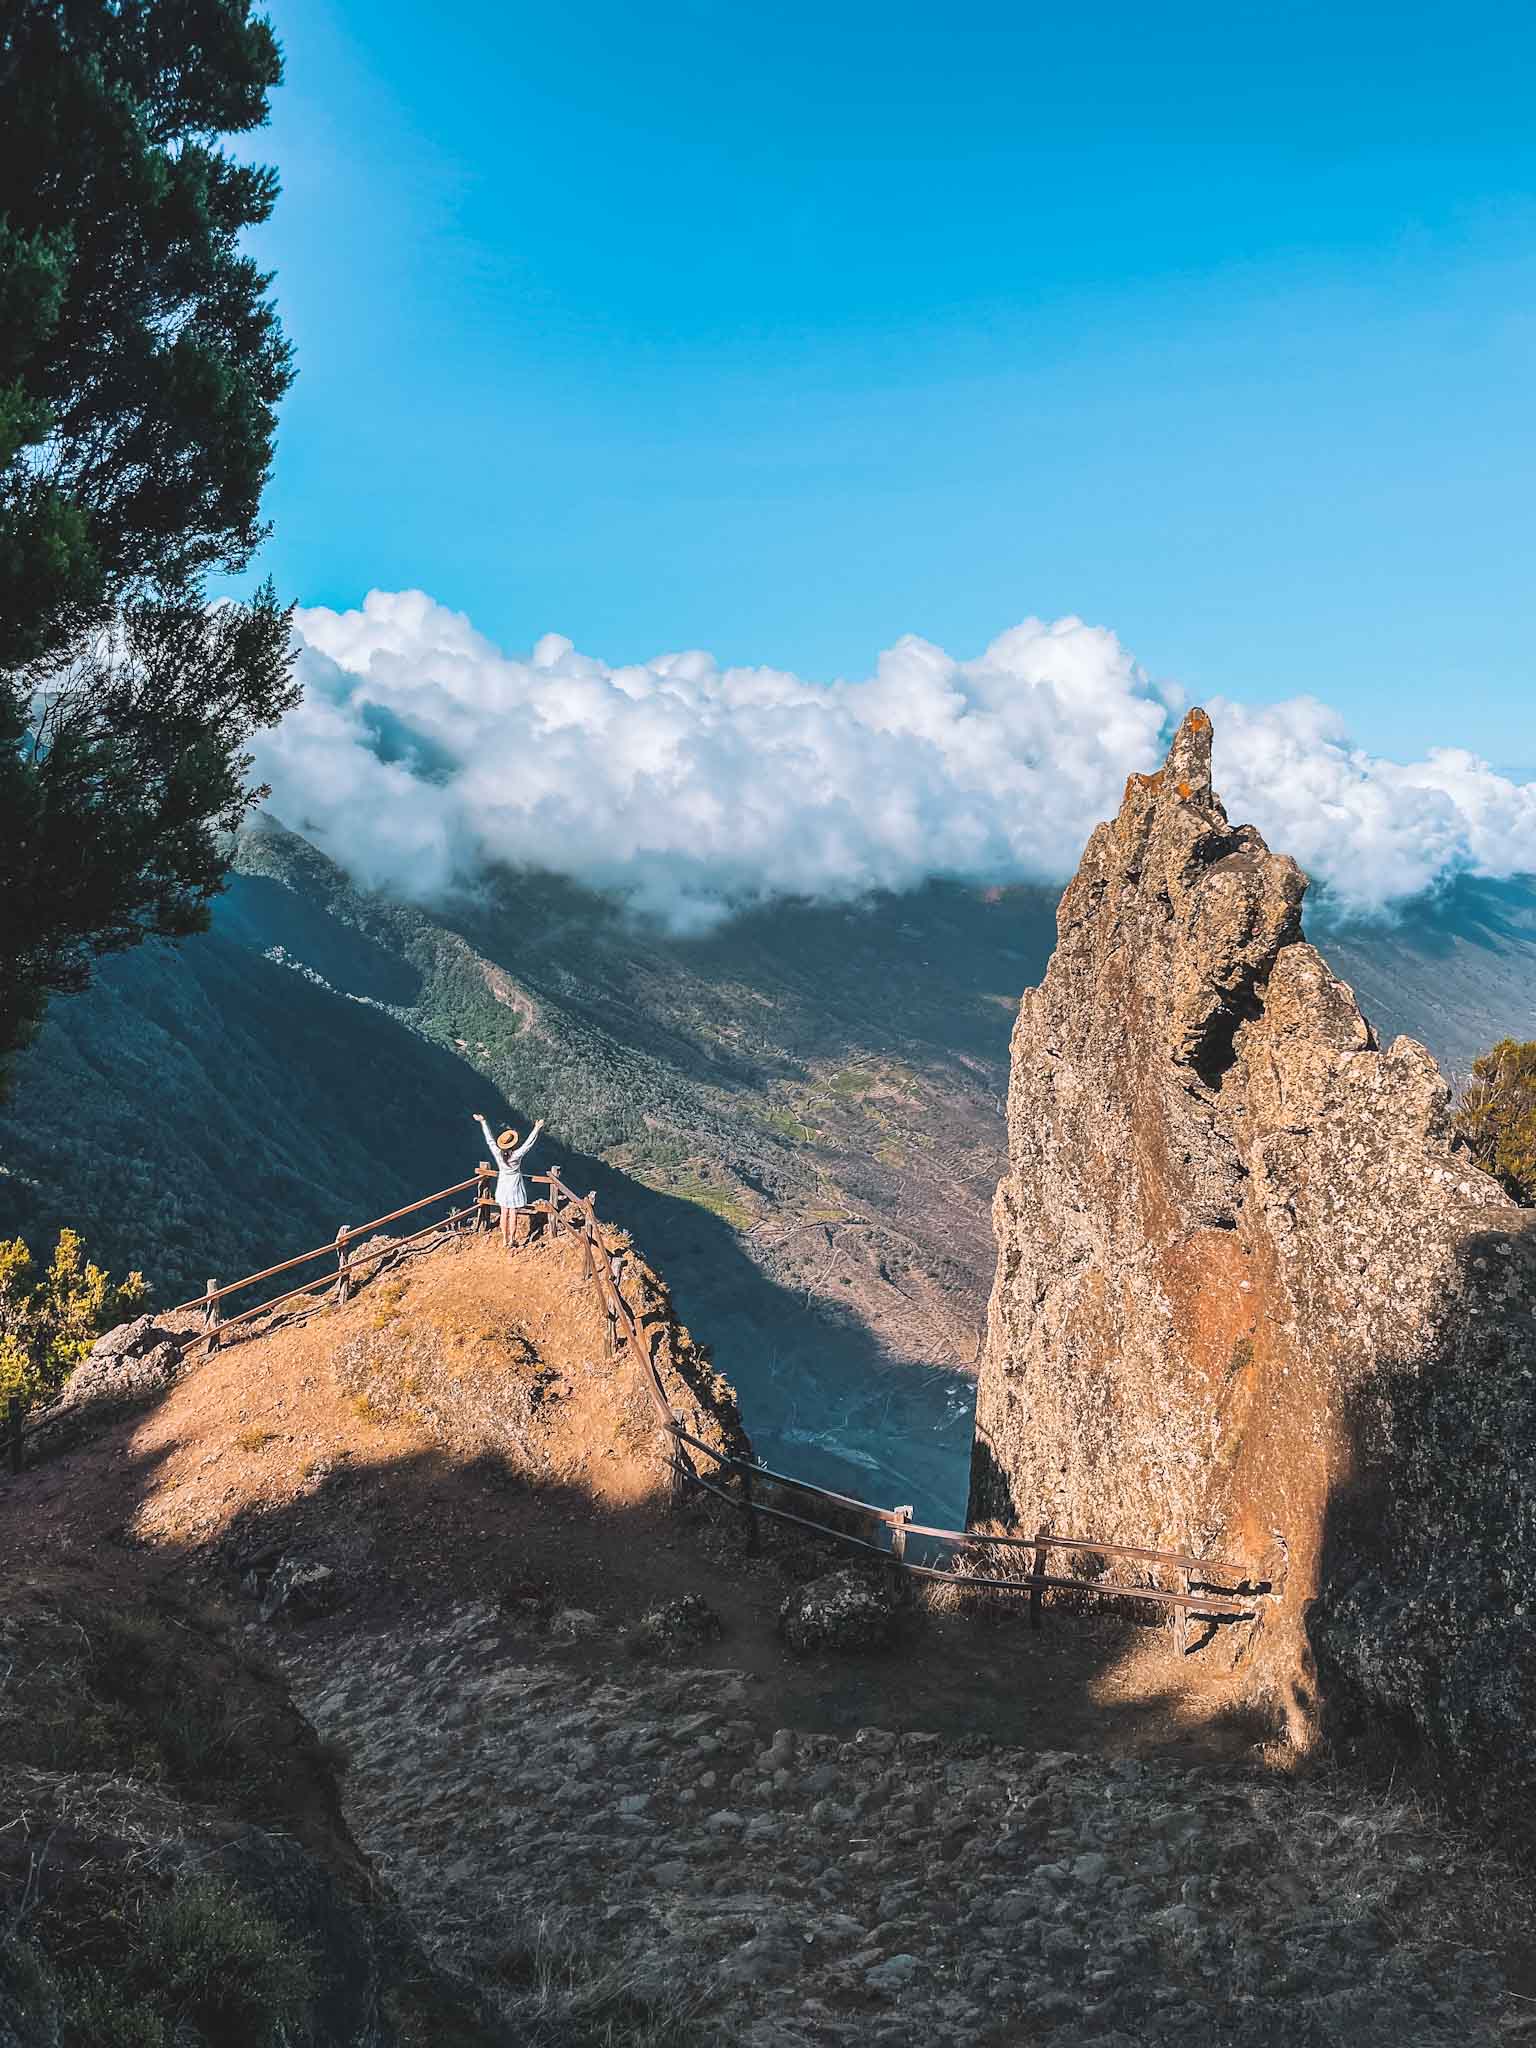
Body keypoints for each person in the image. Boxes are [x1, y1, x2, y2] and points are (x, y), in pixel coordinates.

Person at [473, 1111, 545, 1250]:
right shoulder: (516, 1156)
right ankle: (512, 1239)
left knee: (503, 1212)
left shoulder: (498, 1155)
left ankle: (504, 1240)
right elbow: (528, 1144)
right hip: (515, 1185)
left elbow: (490, 1140)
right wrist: (536, 1128)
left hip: (503, 1185)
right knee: (513, 1213)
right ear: (513, 1144)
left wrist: (483, 1122)